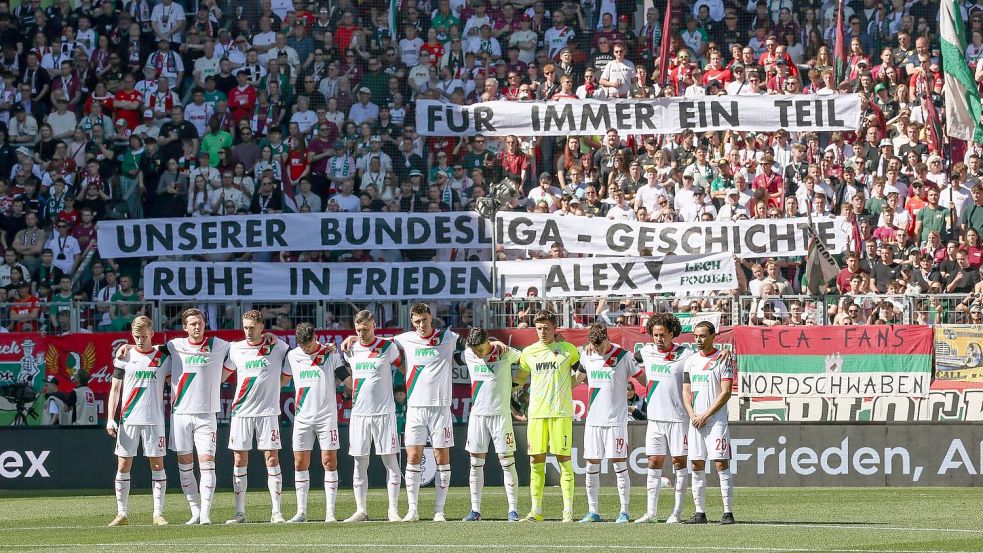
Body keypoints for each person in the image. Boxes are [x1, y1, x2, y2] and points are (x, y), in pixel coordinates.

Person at [224, 309, 290, 524]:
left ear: (262, 327)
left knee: (272, 459)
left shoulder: (277, 346)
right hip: (241, 412)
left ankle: (277, 512)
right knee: (239, 459)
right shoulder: (235, 349)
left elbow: (290, 372)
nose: (248, 331)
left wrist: (271, 390)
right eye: (245, 327)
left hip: (267, 412)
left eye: (252, 327)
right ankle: (240, 512)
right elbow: (222, 374)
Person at [514, 310, 581, 522]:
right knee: (536, 460)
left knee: (564, 459)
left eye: (546, 328)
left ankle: (568, 511)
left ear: (555, 329)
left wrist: (570, 386)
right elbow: (521, 377)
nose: (543, 331)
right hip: (536, 414)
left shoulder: (567, 349)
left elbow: (583, 370)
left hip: (560, 412)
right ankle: (536, 511)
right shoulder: (528, 353)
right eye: (539, 328)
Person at [105, 316, 171, 527]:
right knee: (123, 465)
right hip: (129, 419)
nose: (140, 340)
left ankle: (158, 514)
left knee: (158, 464)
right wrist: (110, 418)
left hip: (155, 419)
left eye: (144, 336)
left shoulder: (164, 357)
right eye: (136, 337)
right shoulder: (124, 356)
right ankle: (121, 513)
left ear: (152, 333)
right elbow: (115, 389)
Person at [576, 323, 644, 524]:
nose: (598, 350)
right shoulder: (587, 354)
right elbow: (578, 379)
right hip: (593, 422)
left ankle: (624, 511)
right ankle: (593, 511)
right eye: (595, 346)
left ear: (607, 338)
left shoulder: (624, 356)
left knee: (619, 464)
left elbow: (643, 378)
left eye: (601, 346)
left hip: (616, 421)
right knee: (591, 464)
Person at [340, 310, 403, 522]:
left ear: (374, 325)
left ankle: (392, 510)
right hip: (359, 414)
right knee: (360, 463)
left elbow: (403, 365)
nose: (361, 333)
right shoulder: (351, 349)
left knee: (390, 461)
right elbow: (347, 374)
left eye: (365, 329)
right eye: (358, 330)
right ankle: (361, 510)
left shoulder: (387, 347)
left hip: (384, 414)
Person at [634, 313, 695, 524]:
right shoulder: (646, 351)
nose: (658, 339)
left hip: (679, 418)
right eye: (654, 335)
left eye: (662, 335)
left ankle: (676, 513)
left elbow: (705, 357)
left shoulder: (685, 353)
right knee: (653, 461)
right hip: (655, 418)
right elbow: (619, 355)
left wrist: (723, 353)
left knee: (679, 462)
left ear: (672, 334)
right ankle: (651, 513)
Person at [284, 322, 347, 523]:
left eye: (309, 344)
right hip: (302, 417)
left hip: (326, 417)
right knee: (300, 463)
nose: (307, 349)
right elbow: (283, 379)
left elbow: (347, 380)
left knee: (329, 461)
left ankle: (330, 513)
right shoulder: (293, 356)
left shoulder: (330, 354)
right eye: (303, 346)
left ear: (315, 337)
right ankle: (301, 512)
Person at [461, 327, 522, 522]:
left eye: (480, 349)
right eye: (474, 350)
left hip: (500, 416)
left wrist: (517, 382)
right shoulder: (468, 354)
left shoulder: (505, 352)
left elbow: (526, 360)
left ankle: (513, 510)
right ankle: (475, 510)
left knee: (507, 461)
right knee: (475, 463)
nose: (477, 354)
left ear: (488, 342)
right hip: (478, 416)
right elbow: (452, 354)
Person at [682, 321, 735, 525]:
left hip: (716, 421)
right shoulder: (690, 361)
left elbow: (726, 392)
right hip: (695, 420)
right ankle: (699, 513)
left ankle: (728, 513)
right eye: (696, 336)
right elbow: (686, 392)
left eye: (703, 336)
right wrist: (693, 414)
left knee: (721, 464)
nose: (698, 340)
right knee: (696, 464)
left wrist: (706, 415)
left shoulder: (723, 359)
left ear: (713, 336)